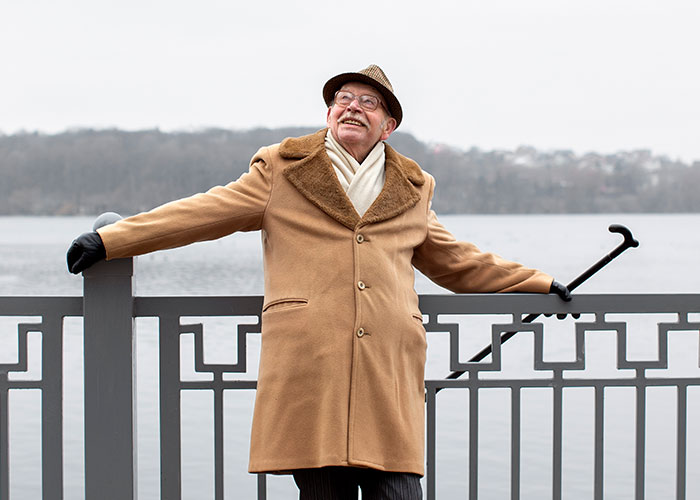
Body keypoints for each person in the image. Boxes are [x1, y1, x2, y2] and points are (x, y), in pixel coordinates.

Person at [67, 64, 571, 500]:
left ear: (388, 125)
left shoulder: (413, 189)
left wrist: (538, 281)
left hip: (386, 370)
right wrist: (113, 240)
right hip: (311, 366)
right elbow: (204, 212)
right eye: (342, 99)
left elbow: (456, 261)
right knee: (323, 490)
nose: (352, 107)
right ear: (329, 113)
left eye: (368, 103)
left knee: (398, 489)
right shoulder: (283, 171)